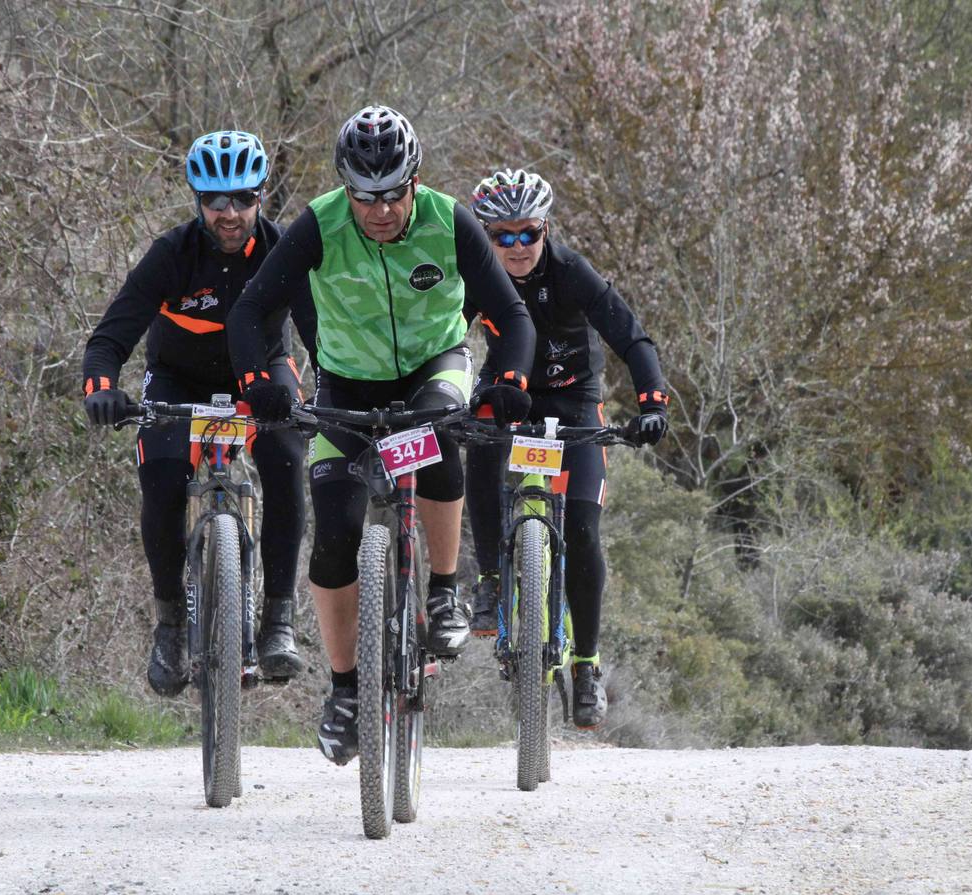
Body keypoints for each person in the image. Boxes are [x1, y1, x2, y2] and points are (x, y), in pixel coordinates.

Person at [227, 106, 536, 764]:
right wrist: (261, 380)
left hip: (434, 365)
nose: (380, 210)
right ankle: (344, 691)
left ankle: (446, 589)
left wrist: (509, 375)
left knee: (440, 433)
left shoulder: (449, 222)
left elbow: (510, 311)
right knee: (333, 536)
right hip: (345, 384)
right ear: (346, 189)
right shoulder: (319, 224)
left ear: (415, 183)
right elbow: (251, 309)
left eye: (394, 194)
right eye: (365, 197)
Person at [80, 131, 310, 696]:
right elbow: (110, 337)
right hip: (177, 379)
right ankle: (171, 627)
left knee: (286, 459)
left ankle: (278, 619)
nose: (229, 213)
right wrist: (102, 388)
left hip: (262, 377)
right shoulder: (171, 255)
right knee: (160, 484)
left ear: (261, 197)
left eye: (242, 199)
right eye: (215, 201)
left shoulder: (286, 251)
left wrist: (326, 392)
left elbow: (321, 337)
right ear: (197, 202)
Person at [463, 168, 669, 729]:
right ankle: (488, 581)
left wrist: (653, 403)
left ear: (545, 228)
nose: (517, 247)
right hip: (508, 394)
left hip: (575, 400)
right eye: (501, 236)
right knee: (475, 442)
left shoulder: (571, 270)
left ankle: (586, 664)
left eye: (527, 233)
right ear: (486, 236)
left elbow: (630, 335)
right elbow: (445, 340)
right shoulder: (477, 276)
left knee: (582, 530)